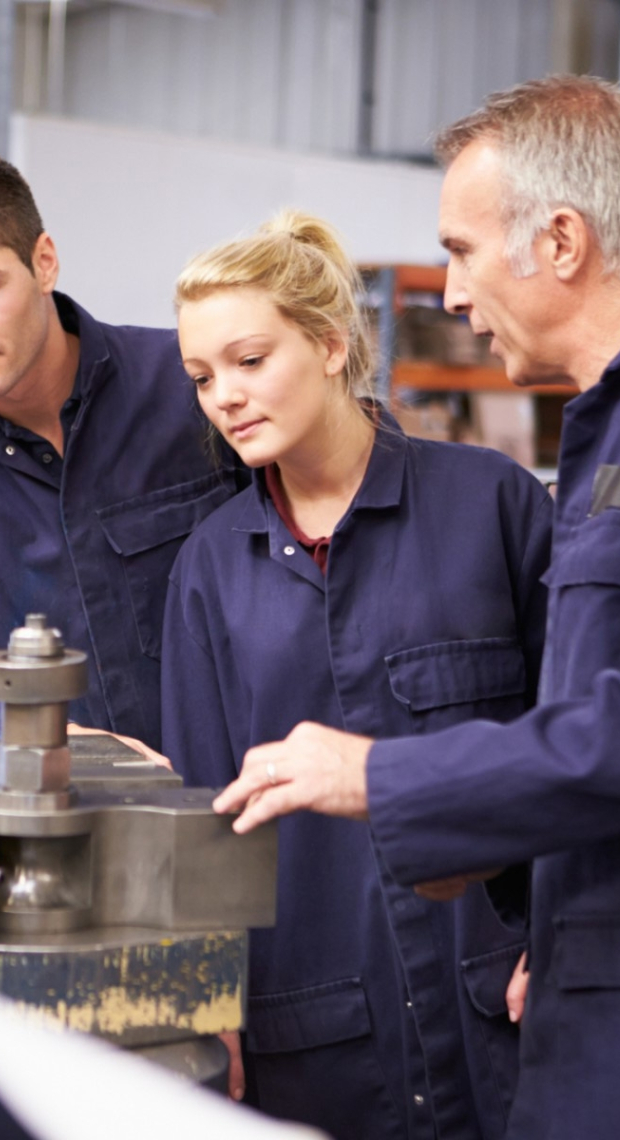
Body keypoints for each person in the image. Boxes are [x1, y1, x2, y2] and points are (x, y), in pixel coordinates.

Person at [213, 75, 620, 1140]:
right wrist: (500, 874)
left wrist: (378, 774)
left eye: (462, 250)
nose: (446, 292)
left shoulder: (495, 496)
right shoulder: (591, 452)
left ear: (561, 243)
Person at [161, 210, 553, 1140]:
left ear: (332, 345)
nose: (225, 395)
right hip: (318, 1032)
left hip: (506, 1000)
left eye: (250, 360)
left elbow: (575, 743)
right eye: (203, 377)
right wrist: (208, 1008)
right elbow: (203, 819)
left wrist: (562, 936)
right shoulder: (209, 570)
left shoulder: (490, 504)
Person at [0, 140, 242, 754]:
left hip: (238, 791)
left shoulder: (188, 385)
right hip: (39, 812)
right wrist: (56, 743)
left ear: (45, 262)